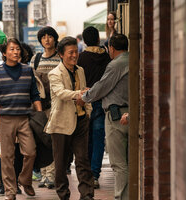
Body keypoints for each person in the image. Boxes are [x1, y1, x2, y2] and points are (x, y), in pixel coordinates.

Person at [0, 38, 42, 200]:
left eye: (18, 49)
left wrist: (40, 115)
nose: (16, 52)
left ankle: (25, 180)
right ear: (4, 53)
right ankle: (10, 191)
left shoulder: (27, 70)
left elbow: (35, 94)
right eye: (12, 49)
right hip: (5, 118)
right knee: (7, 156)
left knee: (31, 152)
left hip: (25, 118)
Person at [45, 36, 94, 200]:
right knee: (60, 164)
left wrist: (88, 111)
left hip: (81, 121)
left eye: (76, 51)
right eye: (70, 52)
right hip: (61, 123)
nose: (74, 55)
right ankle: (63, 194)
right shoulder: (54, 73)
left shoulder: (80, 70)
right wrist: (81, 94)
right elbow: (60, 93)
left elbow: (86, 92)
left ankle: (87, 195)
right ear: (61, 54)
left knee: (83, 160)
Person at [81, 34, 129, 200]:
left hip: (117, 116)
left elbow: (102, 87)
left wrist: (84, 96)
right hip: (129, 113)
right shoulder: (132, 59)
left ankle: (122, 197)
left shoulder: (116, 64)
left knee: (119, 163)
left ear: (112, 48)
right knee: (127, 161)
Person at [77, 26, 111, 189]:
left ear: (84, 40)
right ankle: (95, 175)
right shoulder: (107, 57)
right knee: (98, 140)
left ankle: (87, 174)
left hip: (85, 101)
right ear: (98, 39)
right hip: (102, 101)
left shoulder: (81, 58)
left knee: (85, 139)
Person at [29, 26, 60, 189]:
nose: (47, 39)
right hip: (40, 105)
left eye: (49, 36)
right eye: (43, 37)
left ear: (55, 39)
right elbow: (31, 81)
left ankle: (52, 175)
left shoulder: (60, 58)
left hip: (56, 105)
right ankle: (44, 174)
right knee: (41, 139)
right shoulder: (36, 58)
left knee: (53, 138)